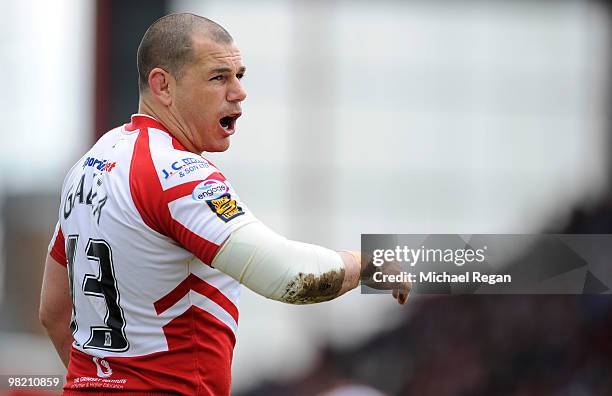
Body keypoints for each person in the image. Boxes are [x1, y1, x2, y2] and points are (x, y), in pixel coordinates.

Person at [39, 13, 410, 395]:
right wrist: (366, 262)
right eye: (218, 77)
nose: (239, 92)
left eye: (240, 76)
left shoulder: (91, 163)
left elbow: (53, 311)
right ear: (162, 85)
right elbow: (291, 276)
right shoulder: (178, 173)